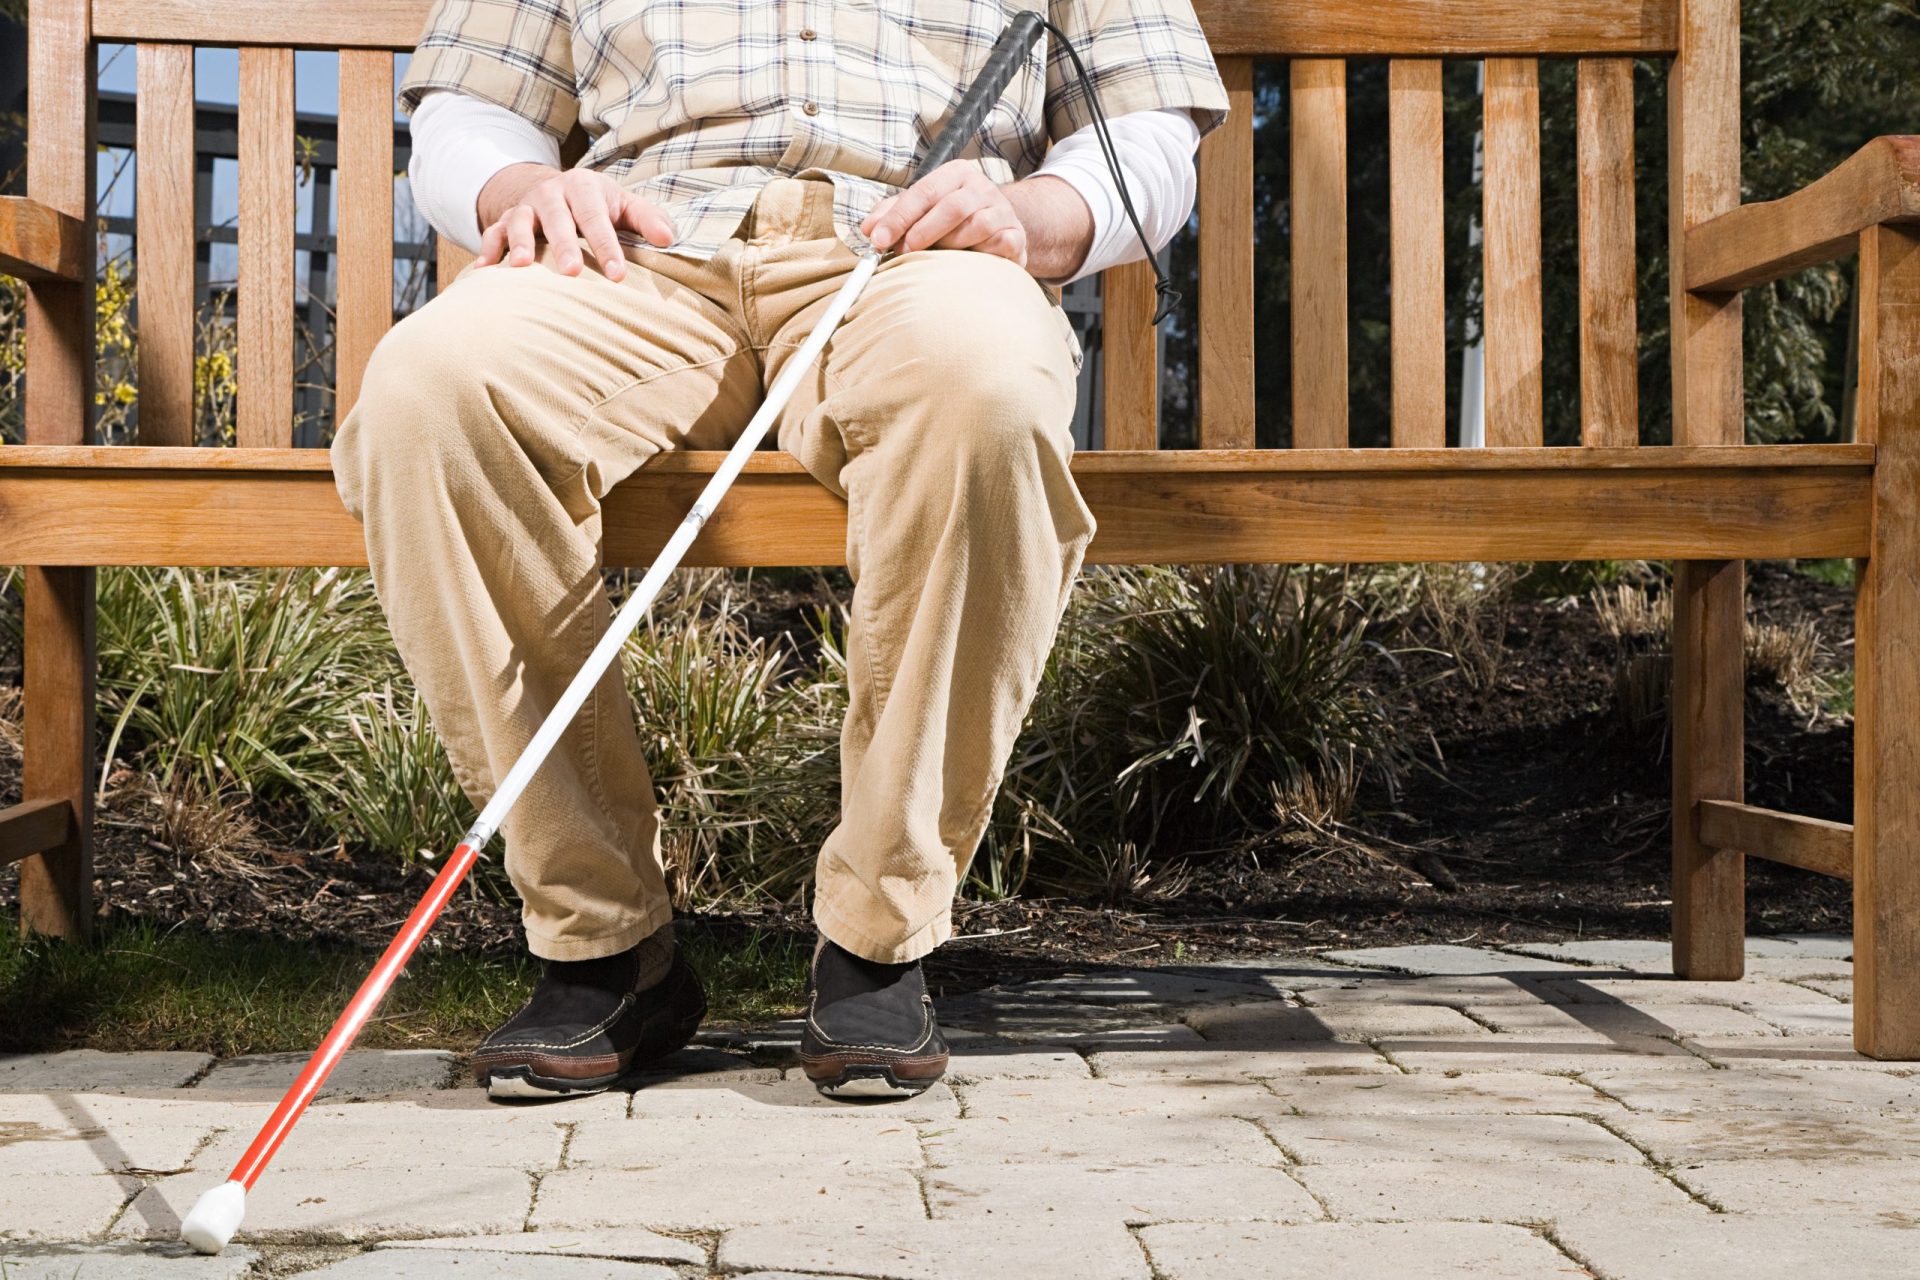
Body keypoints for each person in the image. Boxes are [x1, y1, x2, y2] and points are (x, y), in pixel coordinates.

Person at [331, 0, 1227, 1103]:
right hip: (635, 253)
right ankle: (605, 944)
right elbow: (474, 107)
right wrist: (525, 188)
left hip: (916, 256)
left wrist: (1027, 209)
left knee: (985, 393)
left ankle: (877, 939)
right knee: (429, 394)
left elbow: (1146, 140)